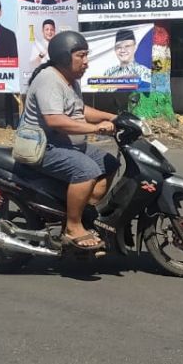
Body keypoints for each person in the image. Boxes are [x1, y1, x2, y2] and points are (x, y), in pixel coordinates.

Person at [17, 31, 118, 252]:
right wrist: (95, 128)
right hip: (44, 147)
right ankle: (72, 226)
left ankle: (82, 212)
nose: (86, 62)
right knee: (86, 170)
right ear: (64, 57)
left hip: (67, 145)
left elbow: (79, 109)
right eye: (81, 56)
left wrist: (111, 117)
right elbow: (55, 120)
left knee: (110, 163)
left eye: (86, 56)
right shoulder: (49, 79)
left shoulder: (71, 80)